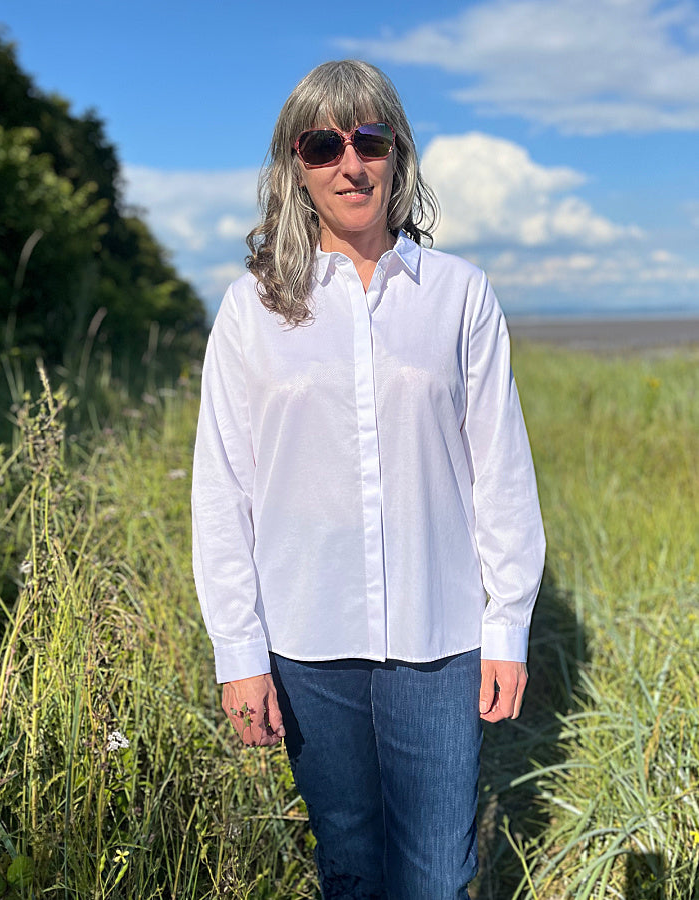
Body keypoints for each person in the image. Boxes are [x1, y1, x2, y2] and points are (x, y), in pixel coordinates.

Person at [192, 59, 545, 899]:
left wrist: (509, 627)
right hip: (308, 646)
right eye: (324, 144)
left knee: (435, 875)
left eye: (369, 138)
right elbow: (223, 489)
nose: (350, 163)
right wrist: (238, 655)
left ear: (397, 153)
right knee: (349, 869)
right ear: (295, 166)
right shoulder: (252, 309)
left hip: (442, 640)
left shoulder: (459, 295)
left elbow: (500, 469)